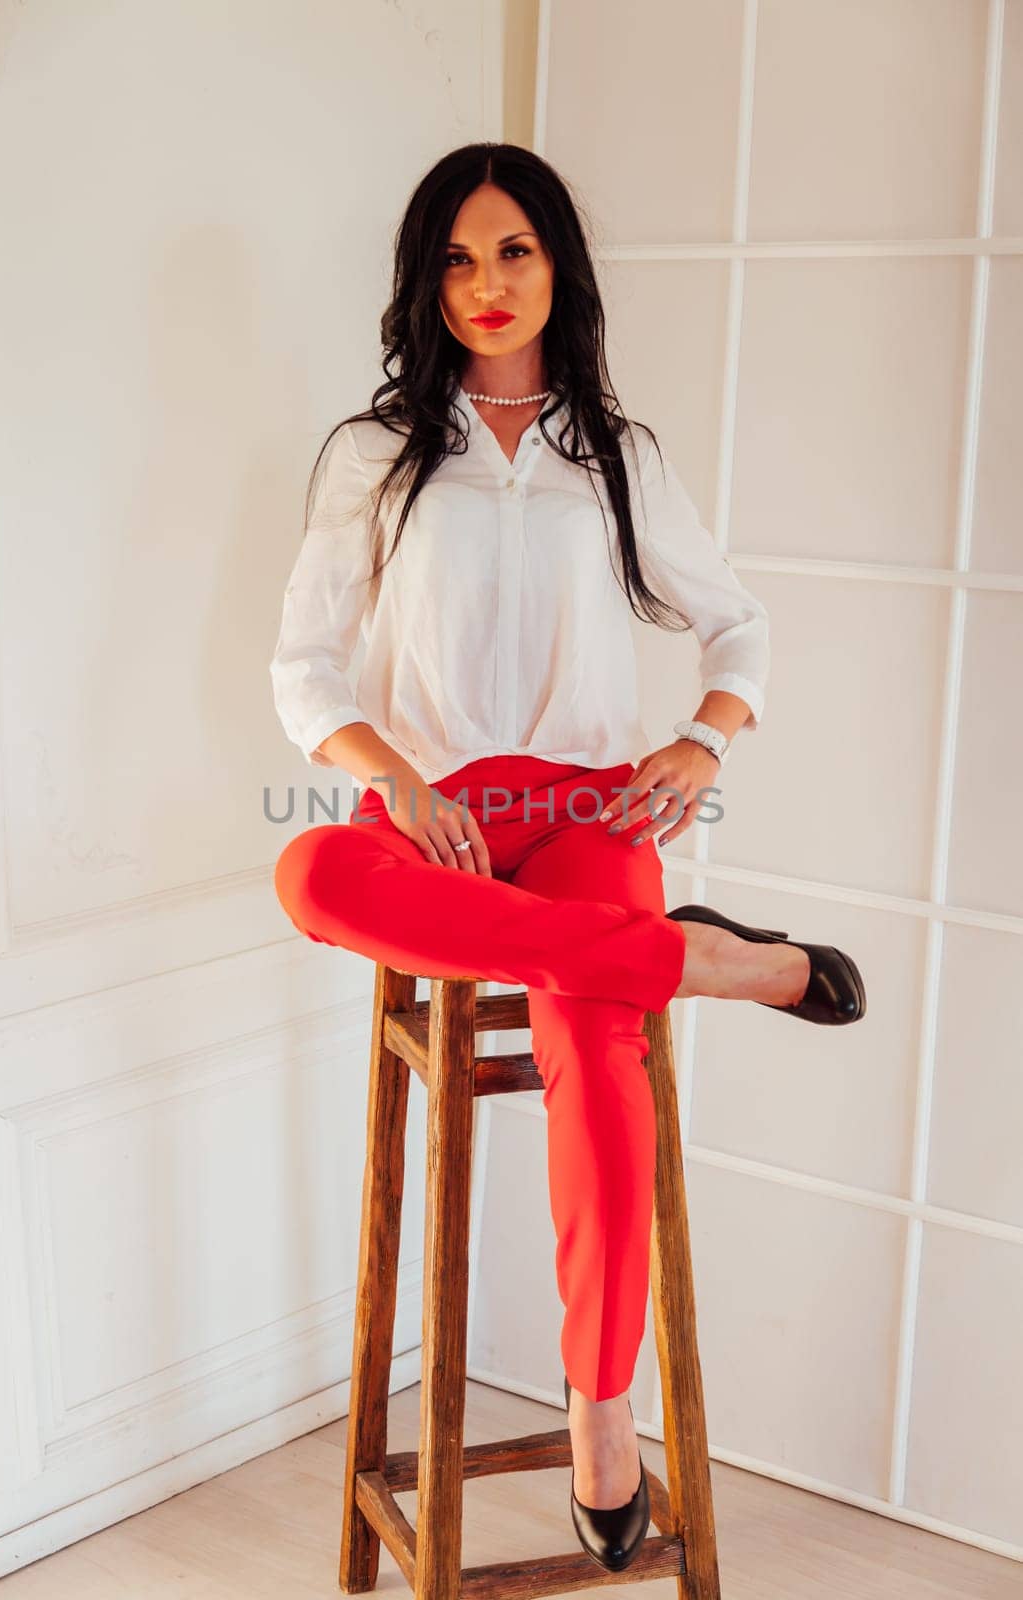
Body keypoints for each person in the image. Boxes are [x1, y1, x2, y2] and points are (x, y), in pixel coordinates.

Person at [269, 142, 866, 1574]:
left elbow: (737, 625)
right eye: (460, 258)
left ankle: (608, 1417)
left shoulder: (620, 456)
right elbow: (304, 671)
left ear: (559, 268)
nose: (486, 284)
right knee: (312, 877)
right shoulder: (373, 457)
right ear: (428, 280)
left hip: (596, 817)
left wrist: (705, 741)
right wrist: (397, 783)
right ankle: (709, 959)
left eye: (515, 251)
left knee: (596, 1057)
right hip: (435, 816)